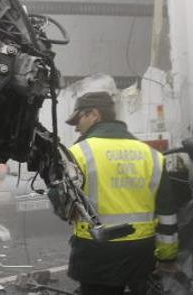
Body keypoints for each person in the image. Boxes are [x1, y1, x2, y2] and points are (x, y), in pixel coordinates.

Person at [60, 91, 178, 295]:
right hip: (141, 255)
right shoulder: (151, 155)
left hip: (96, 253)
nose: (77, 127)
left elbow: (62, 205)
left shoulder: (78, 153)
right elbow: (167, 213)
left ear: (94, 114)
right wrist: (167, 257)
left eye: (78, 119)